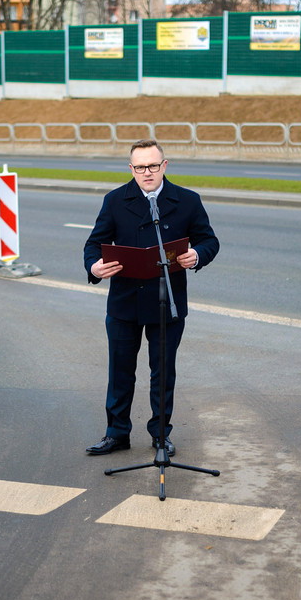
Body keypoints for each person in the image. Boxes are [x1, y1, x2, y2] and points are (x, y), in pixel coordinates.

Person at [83, 139, 220, 457]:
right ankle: (116, 433)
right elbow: (95, 243)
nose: (147, 172)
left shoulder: (187, 200)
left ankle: (161, 435)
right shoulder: (116, 200)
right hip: (124, 301)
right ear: (131, 169)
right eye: (140, 167)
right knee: (120, 370)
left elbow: (209, 240)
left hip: (167, 299)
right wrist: (95, 265)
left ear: (165, 166)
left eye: (153, 166)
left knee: (162, 370)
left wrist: (197, 255)